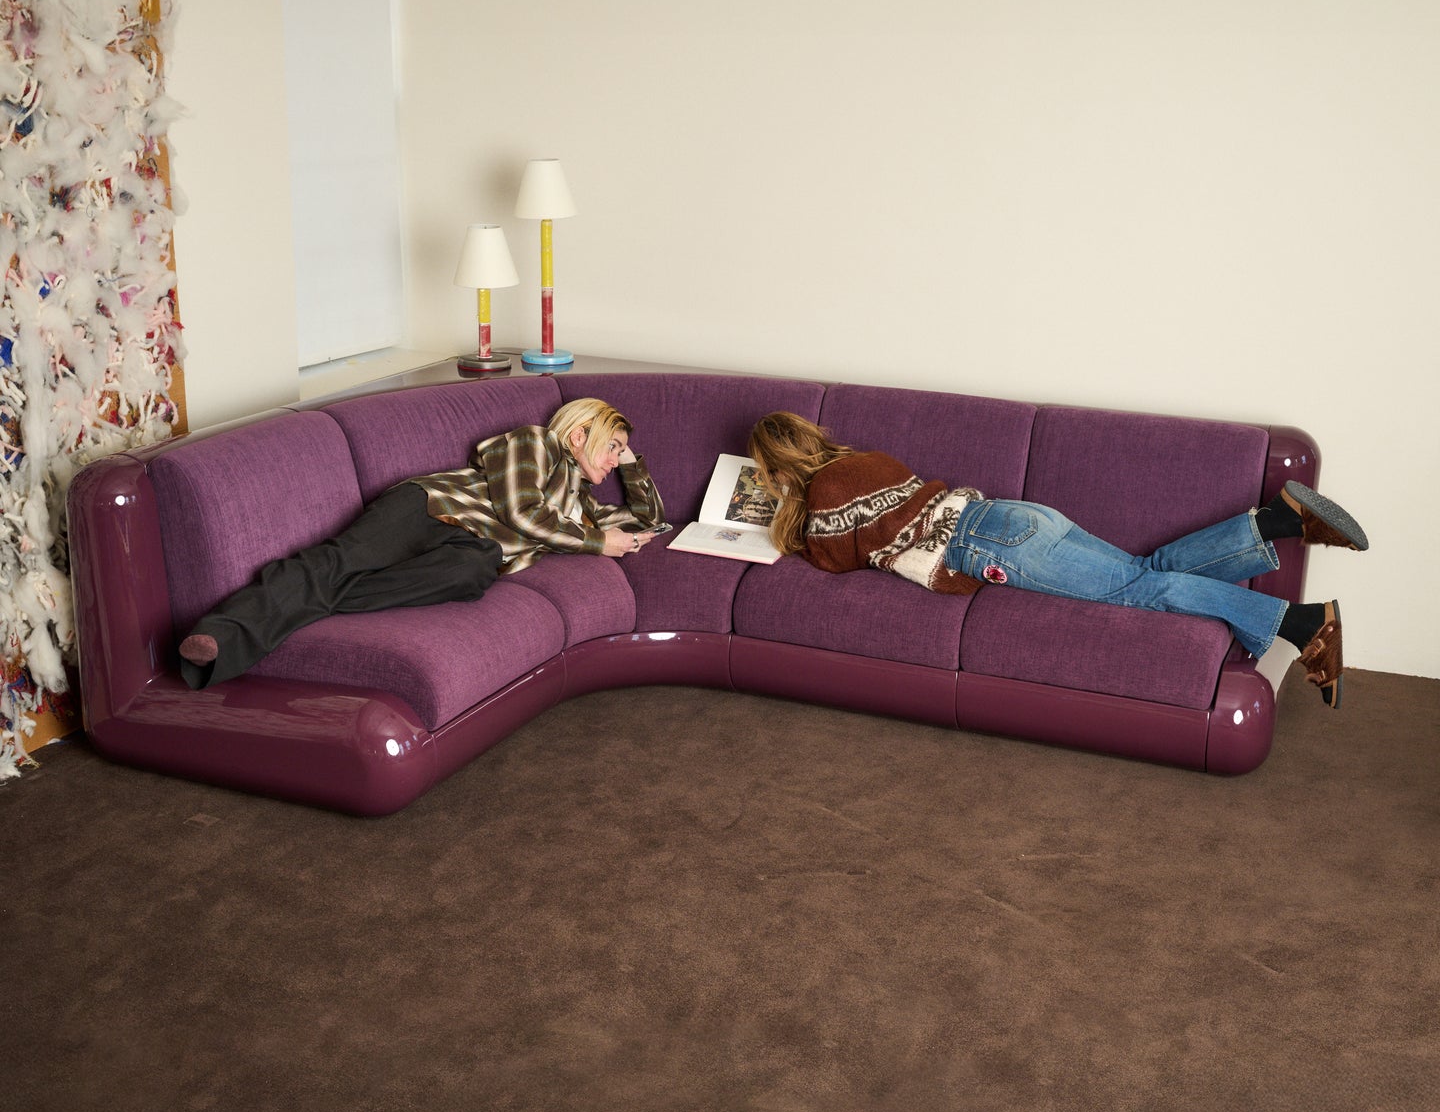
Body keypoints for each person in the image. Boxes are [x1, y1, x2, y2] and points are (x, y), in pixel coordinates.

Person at [747, 412, 1367, 710]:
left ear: (777, 468)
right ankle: (1277, 520)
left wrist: (787, 513)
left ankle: (1299, 624)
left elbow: (831, 558)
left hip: (988, 547)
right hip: (1012, 516)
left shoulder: (824, 493)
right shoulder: (869, 458)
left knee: (1139, 592)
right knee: (1147, 573)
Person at [178, 397, 665, 689]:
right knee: (340, 560)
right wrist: (597, 542)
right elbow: (521, 512)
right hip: (430, 508)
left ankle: (312, 601)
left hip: (469, 549)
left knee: (475, 572)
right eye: (612, 447)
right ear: (578, 435)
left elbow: (651, 519)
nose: (614, 459)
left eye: (620, 451)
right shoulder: (537, 443)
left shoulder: (579, 504)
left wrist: (632, 465)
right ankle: (221, 637)